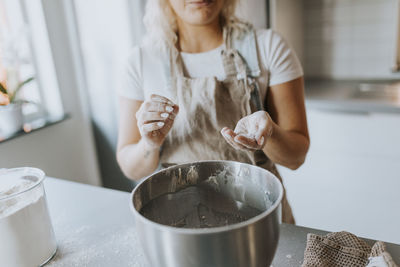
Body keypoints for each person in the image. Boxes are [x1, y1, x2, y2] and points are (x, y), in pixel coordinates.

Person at [117, 0, 309, 224]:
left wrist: (270, 134)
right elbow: (131, 167)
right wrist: (149, 144)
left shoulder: (268, 47)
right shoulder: (140, 62)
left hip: (262, 223)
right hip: (181, 225)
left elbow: (296, 158)